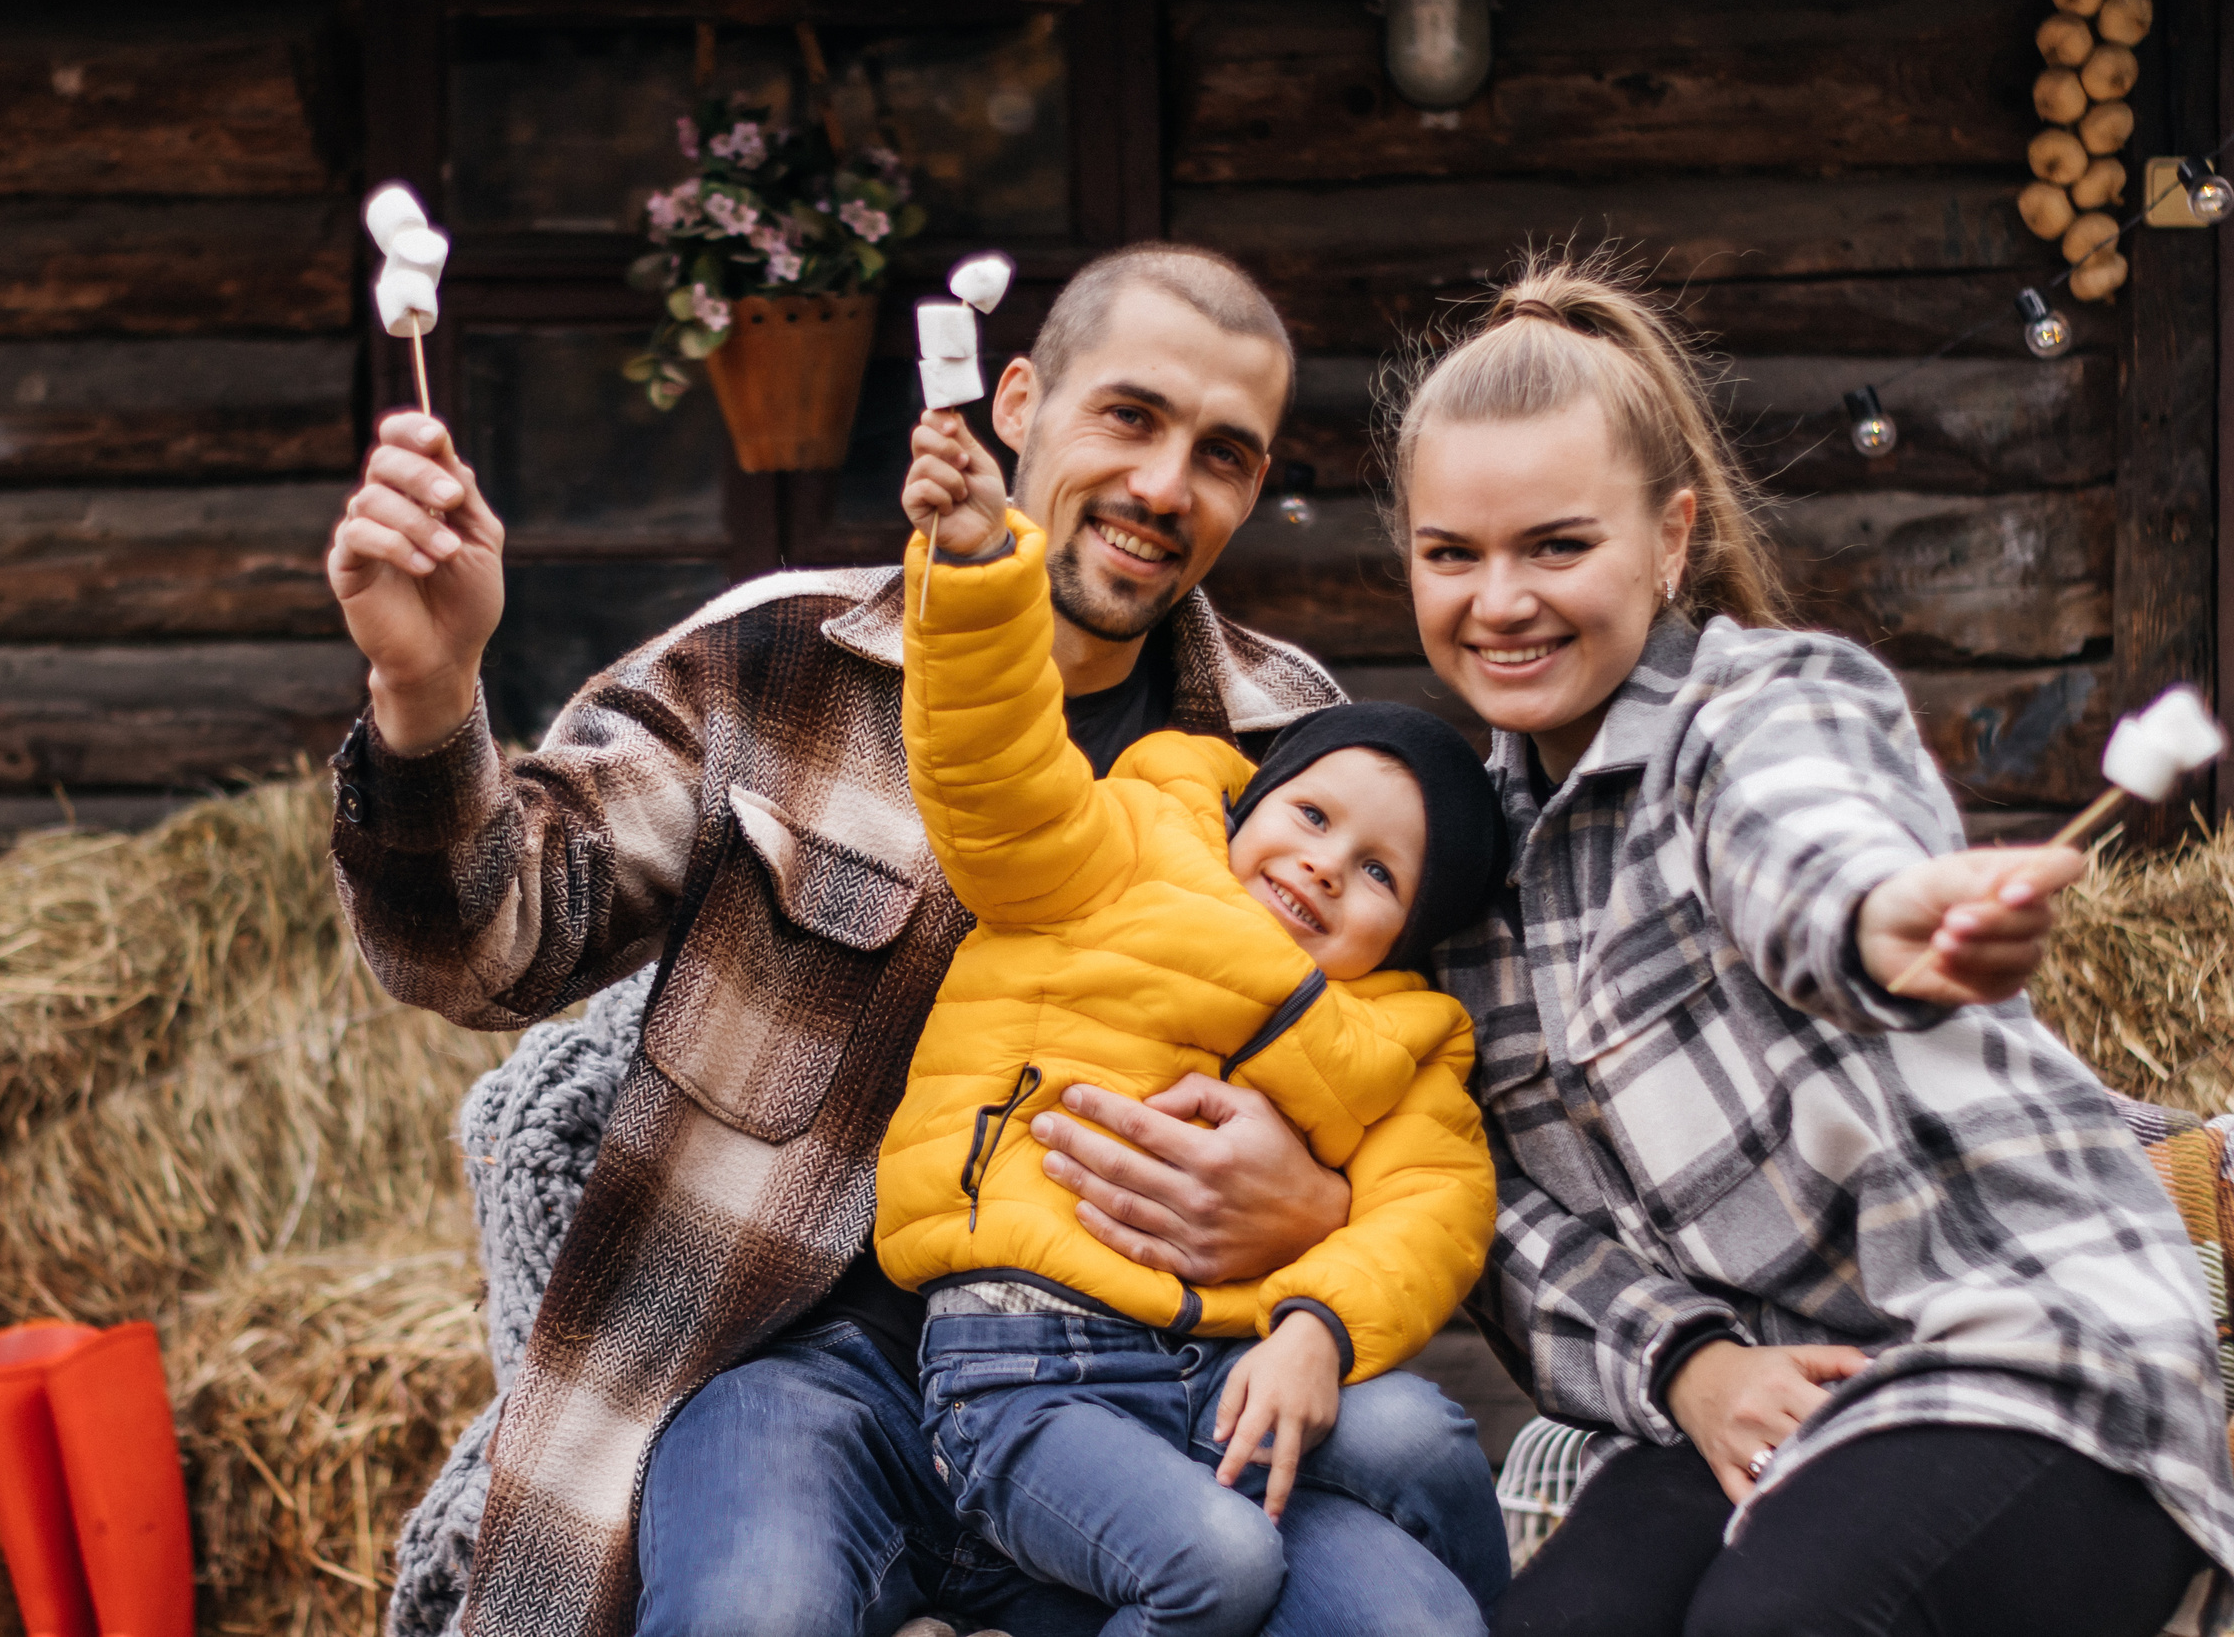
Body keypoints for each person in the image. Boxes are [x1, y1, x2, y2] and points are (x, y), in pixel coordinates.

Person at [326, 243, 1490, 1637]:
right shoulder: (777, 659)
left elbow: (1407, 1109)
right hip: (797, 1378)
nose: (1166, 485)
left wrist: (1316, 1212)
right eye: (1129, 416)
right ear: (1019, 400)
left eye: (1224, 456)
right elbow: (485, 948)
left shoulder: (1294, 748)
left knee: (1409, 1622)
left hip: (1150, 1398)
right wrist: (425, 686)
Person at [1359, 253, 2234, 1637]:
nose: (1500, 599)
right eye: (1451, 554)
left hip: (2023, 1347)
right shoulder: (1456, 883)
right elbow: (1496, 1215)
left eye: (1558, 546)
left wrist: (1883, 922)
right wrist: (1686, 1364)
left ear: (1672, 538)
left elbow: (1807, 844)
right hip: (1764, 1392)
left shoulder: (1762, 705)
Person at [874, 410, 1511, 1636]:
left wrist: (1318, 1324)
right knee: (1222, 1563)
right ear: (1255, 800)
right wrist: (976, 576)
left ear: (1408, 934)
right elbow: (994, 769)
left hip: (1220, 1358)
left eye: (1379, 874)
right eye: (1313, 817)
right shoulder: (1117, 852)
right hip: (1024, 1355)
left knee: (1427, 1434)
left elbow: (1432, 1208)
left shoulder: (1399, 1034)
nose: (1324, 866)